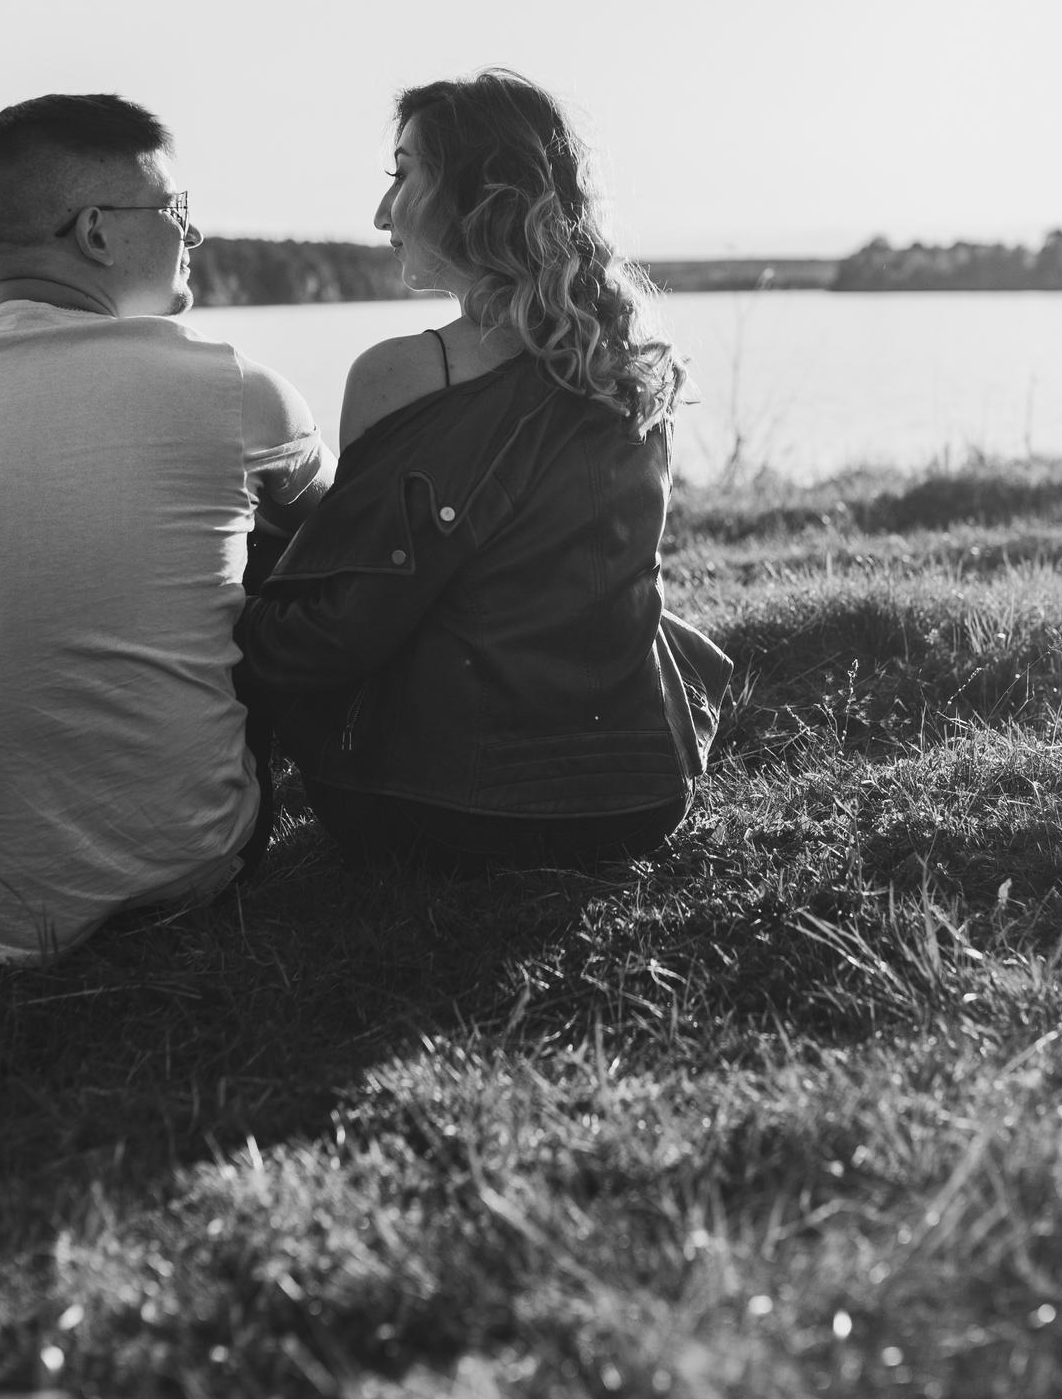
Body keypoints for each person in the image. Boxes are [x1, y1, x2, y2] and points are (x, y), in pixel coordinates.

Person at [0, 93, 332, 964]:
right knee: (282, 557)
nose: (191, 236)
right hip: (192, 866)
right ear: (96, 232)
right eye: (174, 211)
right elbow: (336, 526)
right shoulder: (231, 387)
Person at [235, 70, 730, 872]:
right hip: (640, 795)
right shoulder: (634, 366)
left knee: (255, 551)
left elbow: (343, 625)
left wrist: (231, 609)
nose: (380, 212)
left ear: (475, 195)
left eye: (401, 174)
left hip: (449, 809)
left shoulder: (401, 372)